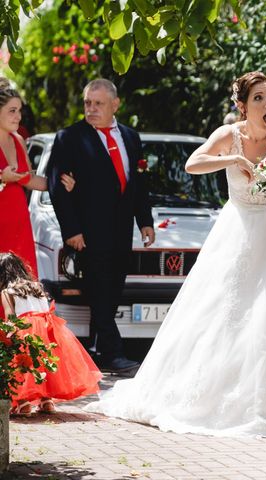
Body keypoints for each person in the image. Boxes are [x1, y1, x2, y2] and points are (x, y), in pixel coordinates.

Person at [85, 71, 266, 438]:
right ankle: (217, 394)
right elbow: (192, 163)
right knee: (224, 314)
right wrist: (231, 161)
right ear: (243, 106)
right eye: (258, 98)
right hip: (238, 233)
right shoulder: (229, 136)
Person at [47, 78, 155, 375]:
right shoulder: (69, 137)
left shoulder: (131, 138)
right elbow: (58, 186)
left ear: (115, 105)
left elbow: (138, 184)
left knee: (110, 292)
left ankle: (95, 353)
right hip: (88, 233)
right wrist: (71, 230)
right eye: (87, 103)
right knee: (98, 291)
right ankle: (113, 353)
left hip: (121, 232)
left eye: (98, 103)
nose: (91, 109)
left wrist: (145, 222)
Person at [0, 82, 74, 320]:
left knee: (20, 283)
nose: (18, 116)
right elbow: (10, 178)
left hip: (20, 223)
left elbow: (29, 180)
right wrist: (2, 178)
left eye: (19, 110)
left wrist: (61, 184)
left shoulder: (19, 140)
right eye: (12, 110)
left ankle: (18, 344)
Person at [0, 252, 102, 416]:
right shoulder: (37, 286)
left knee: (21, 366)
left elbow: (11, 319)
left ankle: (22, 402)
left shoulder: (7, 292)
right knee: (45, 363)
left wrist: (6, 338)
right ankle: (46, 400)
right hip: (48, 328)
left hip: (25, 328)